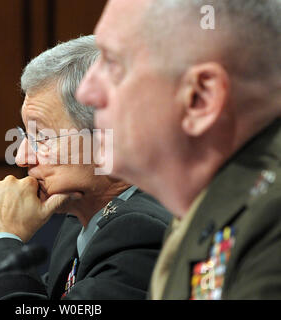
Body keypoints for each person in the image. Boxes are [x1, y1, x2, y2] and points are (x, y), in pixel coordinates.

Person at [77, 0, 281, 299]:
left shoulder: (269, 223)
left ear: (199, 98)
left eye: (111, 63)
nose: (86, 92)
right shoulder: (203, 205)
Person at [0, 35, 171, 300]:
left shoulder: (140, 233)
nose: (22, 157)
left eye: (40, 137)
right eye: (25, 136)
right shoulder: (79, 221)